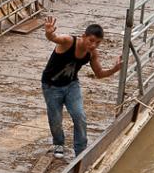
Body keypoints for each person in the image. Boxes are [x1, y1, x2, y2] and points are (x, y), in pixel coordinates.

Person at [40, 17, 122, 160]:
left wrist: (115, 68)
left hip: (72, 85)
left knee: (79, 116)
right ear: (83, 36)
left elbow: (99, 74)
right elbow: (54, 37)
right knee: (55, 119)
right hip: (51, 86)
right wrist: (48, 32)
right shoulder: (69, 41)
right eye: (91, 40)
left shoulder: (92, 54)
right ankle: (59, 143)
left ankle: (80, 151)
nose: (93, 45)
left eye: (97, 43)